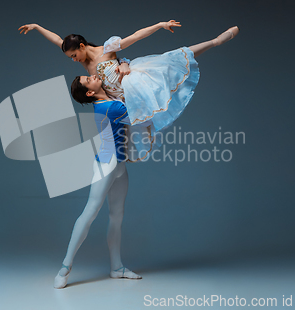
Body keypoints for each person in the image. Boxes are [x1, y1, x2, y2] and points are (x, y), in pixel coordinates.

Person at [18, 20, 239, 160]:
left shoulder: (107, 49)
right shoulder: (84, 64)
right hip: (121, 100)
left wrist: (159, 25)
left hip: (133, 85)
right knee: (134, 135)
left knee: (170, 60)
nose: (74, 61)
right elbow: (58, 39)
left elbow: (135, 36)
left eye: (74, 55)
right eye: (71, 57)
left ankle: (214, 41)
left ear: (82, 47)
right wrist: (37, 27)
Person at [53, 74, 146, 289]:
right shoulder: (110, 108)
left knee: (117, 216)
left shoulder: (108, 101)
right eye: (89, 79)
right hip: (107, 164)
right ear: (89, 92)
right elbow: (142, 115)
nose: (94, 75)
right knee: (90, 211)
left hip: (120, 165)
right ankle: (65, 268)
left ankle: (117, 267)